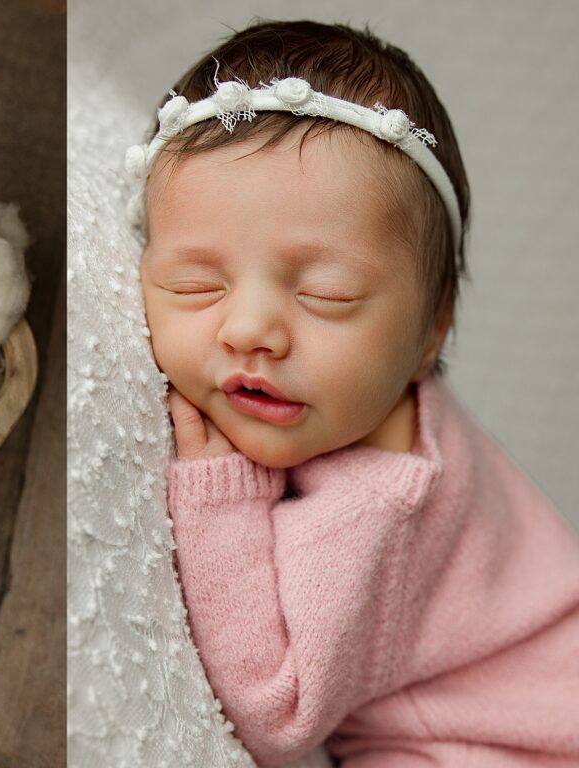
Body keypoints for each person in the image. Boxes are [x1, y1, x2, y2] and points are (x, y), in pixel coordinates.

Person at [129, 19, 579, 767]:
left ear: (429, 334)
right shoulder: (366, 393)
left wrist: (218, 497)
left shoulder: (381, 501)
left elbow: (280, 714)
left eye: (329, 296)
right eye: (194, 284)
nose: (250, 331)